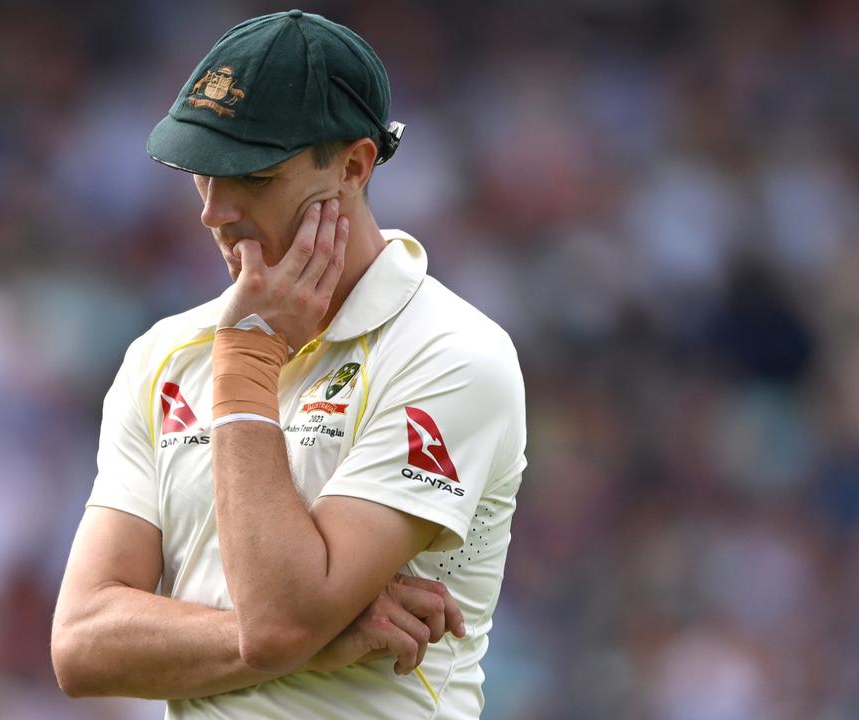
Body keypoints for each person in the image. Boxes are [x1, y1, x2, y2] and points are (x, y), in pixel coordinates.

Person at [51, 10, 527, 719]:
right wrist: (314, 641)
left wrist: (246, 353)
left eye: (253, 175)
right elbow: (83, 644)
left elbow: (281, 618)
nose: (214, 211)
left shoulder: (451, 353)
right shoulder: (163, 356)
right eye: (202, 174)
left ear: (353, 166)